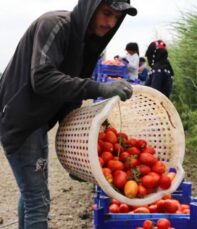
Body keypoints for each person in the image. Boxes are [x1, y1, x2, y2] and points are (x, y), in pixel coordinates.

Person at [0, 0, 137, 228]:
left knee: (32, 193)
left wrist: (76, 155)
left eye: (116, 17)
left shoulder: (87, 43)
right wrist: (97, 87)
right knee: (38, 200)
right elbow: (42, 78)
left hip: (37, 121)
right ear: (91, 7)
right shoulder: (55, 25)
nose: (110, 23)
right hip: (20, 118)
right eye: (106, 13)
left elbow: (70, 95)